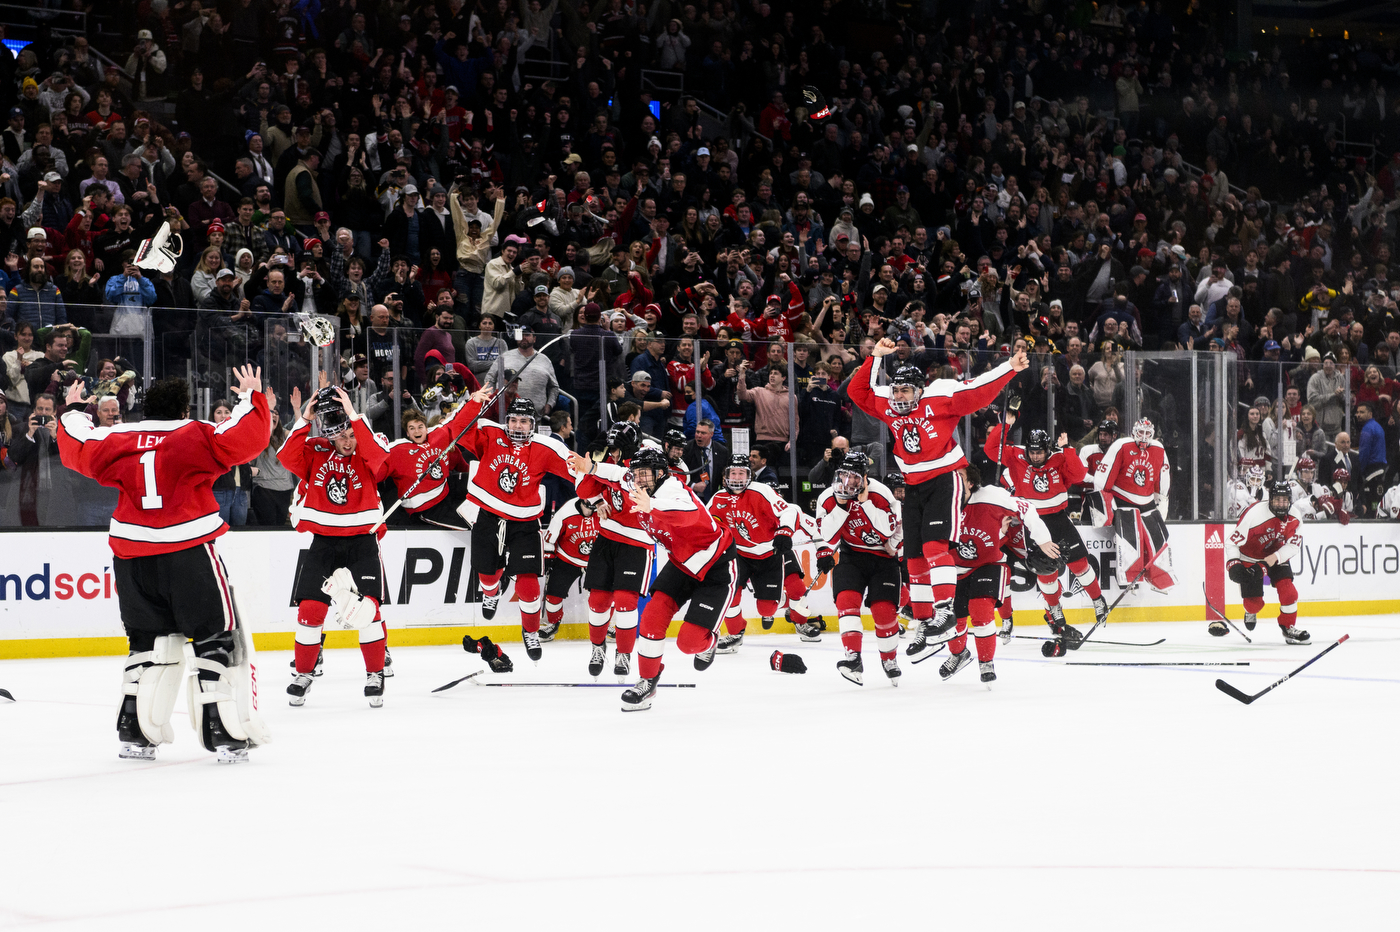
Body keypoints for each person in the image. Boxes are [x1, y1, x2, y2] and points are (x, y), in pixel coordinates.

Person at [55, 365, 272, 763]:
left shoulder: (118, 436)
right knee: (214, 640)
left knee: (146, 644)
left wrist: (71, 409)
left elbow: (74, 447)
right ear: (185, 408)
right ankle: (222, 731)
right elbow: (247, 439)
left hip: (132, 558)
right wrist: (251, 398)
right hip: (188, 551)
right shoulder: (196, 433)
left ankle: (134, 732)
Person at [846, 335, 1029, 658]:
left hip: (946, 478)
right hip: (913, 484)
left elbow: (977, 390)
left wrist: (1009, 369)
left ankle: (944, 609)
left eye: (906, 390)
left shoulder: (940, 397)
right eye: (896, 390)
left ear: (920, 390)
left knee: (934, 546)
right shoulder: (889, 405)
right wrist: (874, 357)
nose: (899, 396)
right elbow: (856, 392)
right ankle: (924, 621)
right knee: (913, 558)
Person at [570, 445, 739, 712]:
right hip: (681, 565)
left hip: (715, 567)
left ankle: (710, 640)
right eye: (636, 474)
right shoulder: (635, 481)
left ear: (661, 473)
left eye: (644, 474)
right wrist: (590, 468)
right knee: (650, 620)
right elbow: (616, 474)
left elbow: (688, 515)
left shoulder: (673, 489)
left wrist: (653, 505)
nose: (638, 479)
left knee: (689, 644)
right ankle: (648, 683)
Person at [277, 386, 394, 709]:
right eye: (339, 435)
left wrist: (355, 417)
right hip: (324, 542)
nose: (346, 440)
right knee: (310, 611)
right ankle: (304, 673)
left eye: (349, 434)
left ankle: (374, 673)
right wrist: (306, 417)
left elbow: (380, 459)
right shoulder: (315, 450)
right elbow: (286, 456)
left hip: (362, 542)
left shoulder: (371, 444)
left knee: (368, 611)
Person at [456, 390, 577, 661]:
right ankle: (492, 591)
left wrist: (599, 491)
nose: (518, 426)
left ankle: (531, 631)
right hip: (488, 515)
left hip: (524, 522)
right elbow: (459, 429)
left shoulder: (547, 448)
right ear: (506, 421)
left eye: (524, 421)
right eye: (514, 420)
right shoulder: (490, 434)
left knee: (529, 583)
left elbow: (577, 469)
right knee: (487, 575)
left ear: (533, 424)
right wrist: (473, 402)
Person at [984, 421, 1108, 646]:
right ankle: (1054, 609)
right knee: (1045, 572)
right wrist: (1006, 425)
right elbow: (990, 450)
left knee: (1080, 564)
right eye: (1032, 451)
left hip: (1059, 520)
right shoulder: (1016, 456)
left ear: (1048, 450)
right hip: (1033, 524)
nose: (1036, 456)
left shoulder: (1058, 458)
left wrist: (1068, 449)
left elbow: (1080, 474)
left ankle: (1098, 600)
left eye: (1040, 452)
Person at [946, 465, 1059, 683]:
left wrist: (1042, 538)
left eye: (959, 477)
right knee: (955, 619)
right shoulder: (942, 500)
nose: (953, 482)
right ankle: (958, 655)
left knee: (980, 610)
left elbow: (1026, 508)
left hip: (989, 563)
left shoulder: (992, 495)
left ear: (970, 483)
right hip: (956, 567)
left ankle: (986, 661)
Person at [711, 453, 823, 655]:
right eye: (733, 473)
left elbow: (792, 511)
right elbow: (707, 526)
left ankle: (799, 617)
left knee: (769, 607)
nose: (737, 478)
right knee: (729, 593)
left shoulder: (762, 491)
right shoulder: (718, 499)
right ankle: (735, 634)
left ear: (750, 475)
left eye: (742, 473)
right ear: (725, 475)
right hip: (740, 555)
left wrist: (785, 531)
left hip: (772, 552)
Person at [815, 451, 903, 686]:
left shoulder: (881, 493)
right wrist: (842, 507)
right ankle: (853, 658)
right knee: (846, 601)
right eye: (843, 475)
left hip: (883, 559)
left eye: (853, 477)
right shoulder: (829, 497)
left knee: (883, 612)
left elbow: (887, 531)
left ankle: (889, 659)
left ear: (864, 477)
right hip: (851, 556)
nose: (847, 482)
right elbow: (825, 534)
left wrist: (865, 503)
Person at [572, 422, 651, 680]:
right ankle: (597, 649)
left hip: (637, 543)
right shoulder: (608, 463)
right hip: (607, 538)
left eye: (618, 449)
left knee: (626, 604)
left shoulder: (643, 467)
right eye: (611, 449)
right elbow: (583, 489)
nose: (612, 453)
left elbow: (627, 488)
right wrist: (596, 499)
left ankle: (624, 653)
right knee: (597, 602)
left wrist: (600, 470)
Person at [1217, 481, 1311, 645]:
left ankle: (1288, 628)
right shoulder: (1254, 514)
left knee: (1289, 593)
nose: (1281, 504)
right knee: (1254, 605)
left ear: (1290, 500)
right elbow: (1231, 542)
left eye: (1285, 500)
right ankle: (1250, 612)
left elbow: (1293, 546)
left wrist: (1273, 559)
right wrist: (1234, 563)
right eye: (1277, 500)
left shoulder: (1295, 517)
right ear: (1270, 499)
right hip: (1250, 558)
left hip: (1276, 557)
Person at [1092, 417, 1177, 592]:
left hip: (1147, 502)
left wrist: (1161, 501)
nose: (1144, 437)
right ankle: (1128, 578)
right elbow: (1102, 478)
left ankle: (1159, 579)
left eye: (1148, 434)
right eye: (1141, 433)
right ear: (1133, 432)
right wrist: (1107, 505)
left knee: (1159, 540)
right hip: (1123, 500)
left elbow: (1163, 479)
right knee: (1130, 540)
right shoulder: (1121, 446)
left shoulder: (1159, 449)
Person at [383, 405, 477, 529]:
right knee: (474, 524)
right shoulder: (397, 451)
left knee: (478, 482)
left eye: (420, 427)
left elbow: (456, 420)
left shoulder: (439, 436)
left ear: (426, 429)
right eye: (412, 428)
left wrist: (474, 402)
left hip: (446, 491)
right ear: (407, 433)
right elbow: (376, 467)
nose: (417, 431)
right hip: (427, 508)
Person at [540, 496, 601, 656]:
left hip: (595, 561)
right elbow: (549, 539)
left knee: (603, 596)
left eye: (592, 508)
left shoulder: (603, 508)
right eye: (587, 507)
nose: (589, 512)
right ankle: (553, 624)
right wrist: (549, 559)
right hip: (567, 558)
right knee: (552, 596)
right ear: (582, 502)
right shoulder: (566, 512)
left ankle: (604, 623)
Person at [1075, 418, 1118, 525]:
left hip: (1116, 497)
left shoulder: (1120, 453)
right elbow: (1080, 477)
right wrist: (1102, 482)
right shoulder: (1087, 451)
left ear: (1114, 436)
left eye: (1106, 434)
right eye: (1101, 434)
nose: (1102, 438)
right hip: (1092, 497)